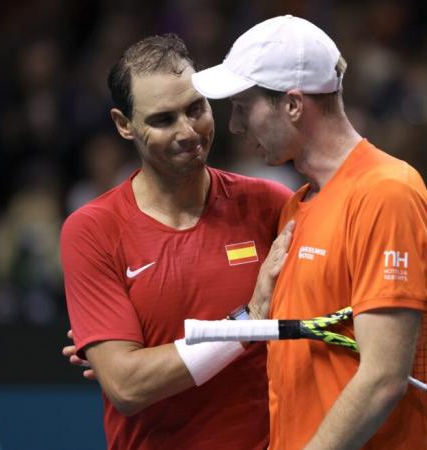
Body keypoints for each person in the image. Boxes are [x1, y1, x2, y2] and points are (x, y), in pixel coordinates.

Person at [192, 15, 427, 450]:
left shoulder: (387, 193)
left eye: (243, 107)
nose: (233, 127)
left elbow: (384, 378)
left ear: (293, 105)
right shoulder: (298, 206)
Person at [59, 34, 293, 450]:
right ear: (123, 124)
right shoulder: (92, 231)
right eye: (163, 120)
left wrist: (157, 359)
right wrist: (249, 321)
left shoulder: (271, 205)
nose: (189, 132)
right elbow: (128, 387)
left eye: (196, 109)